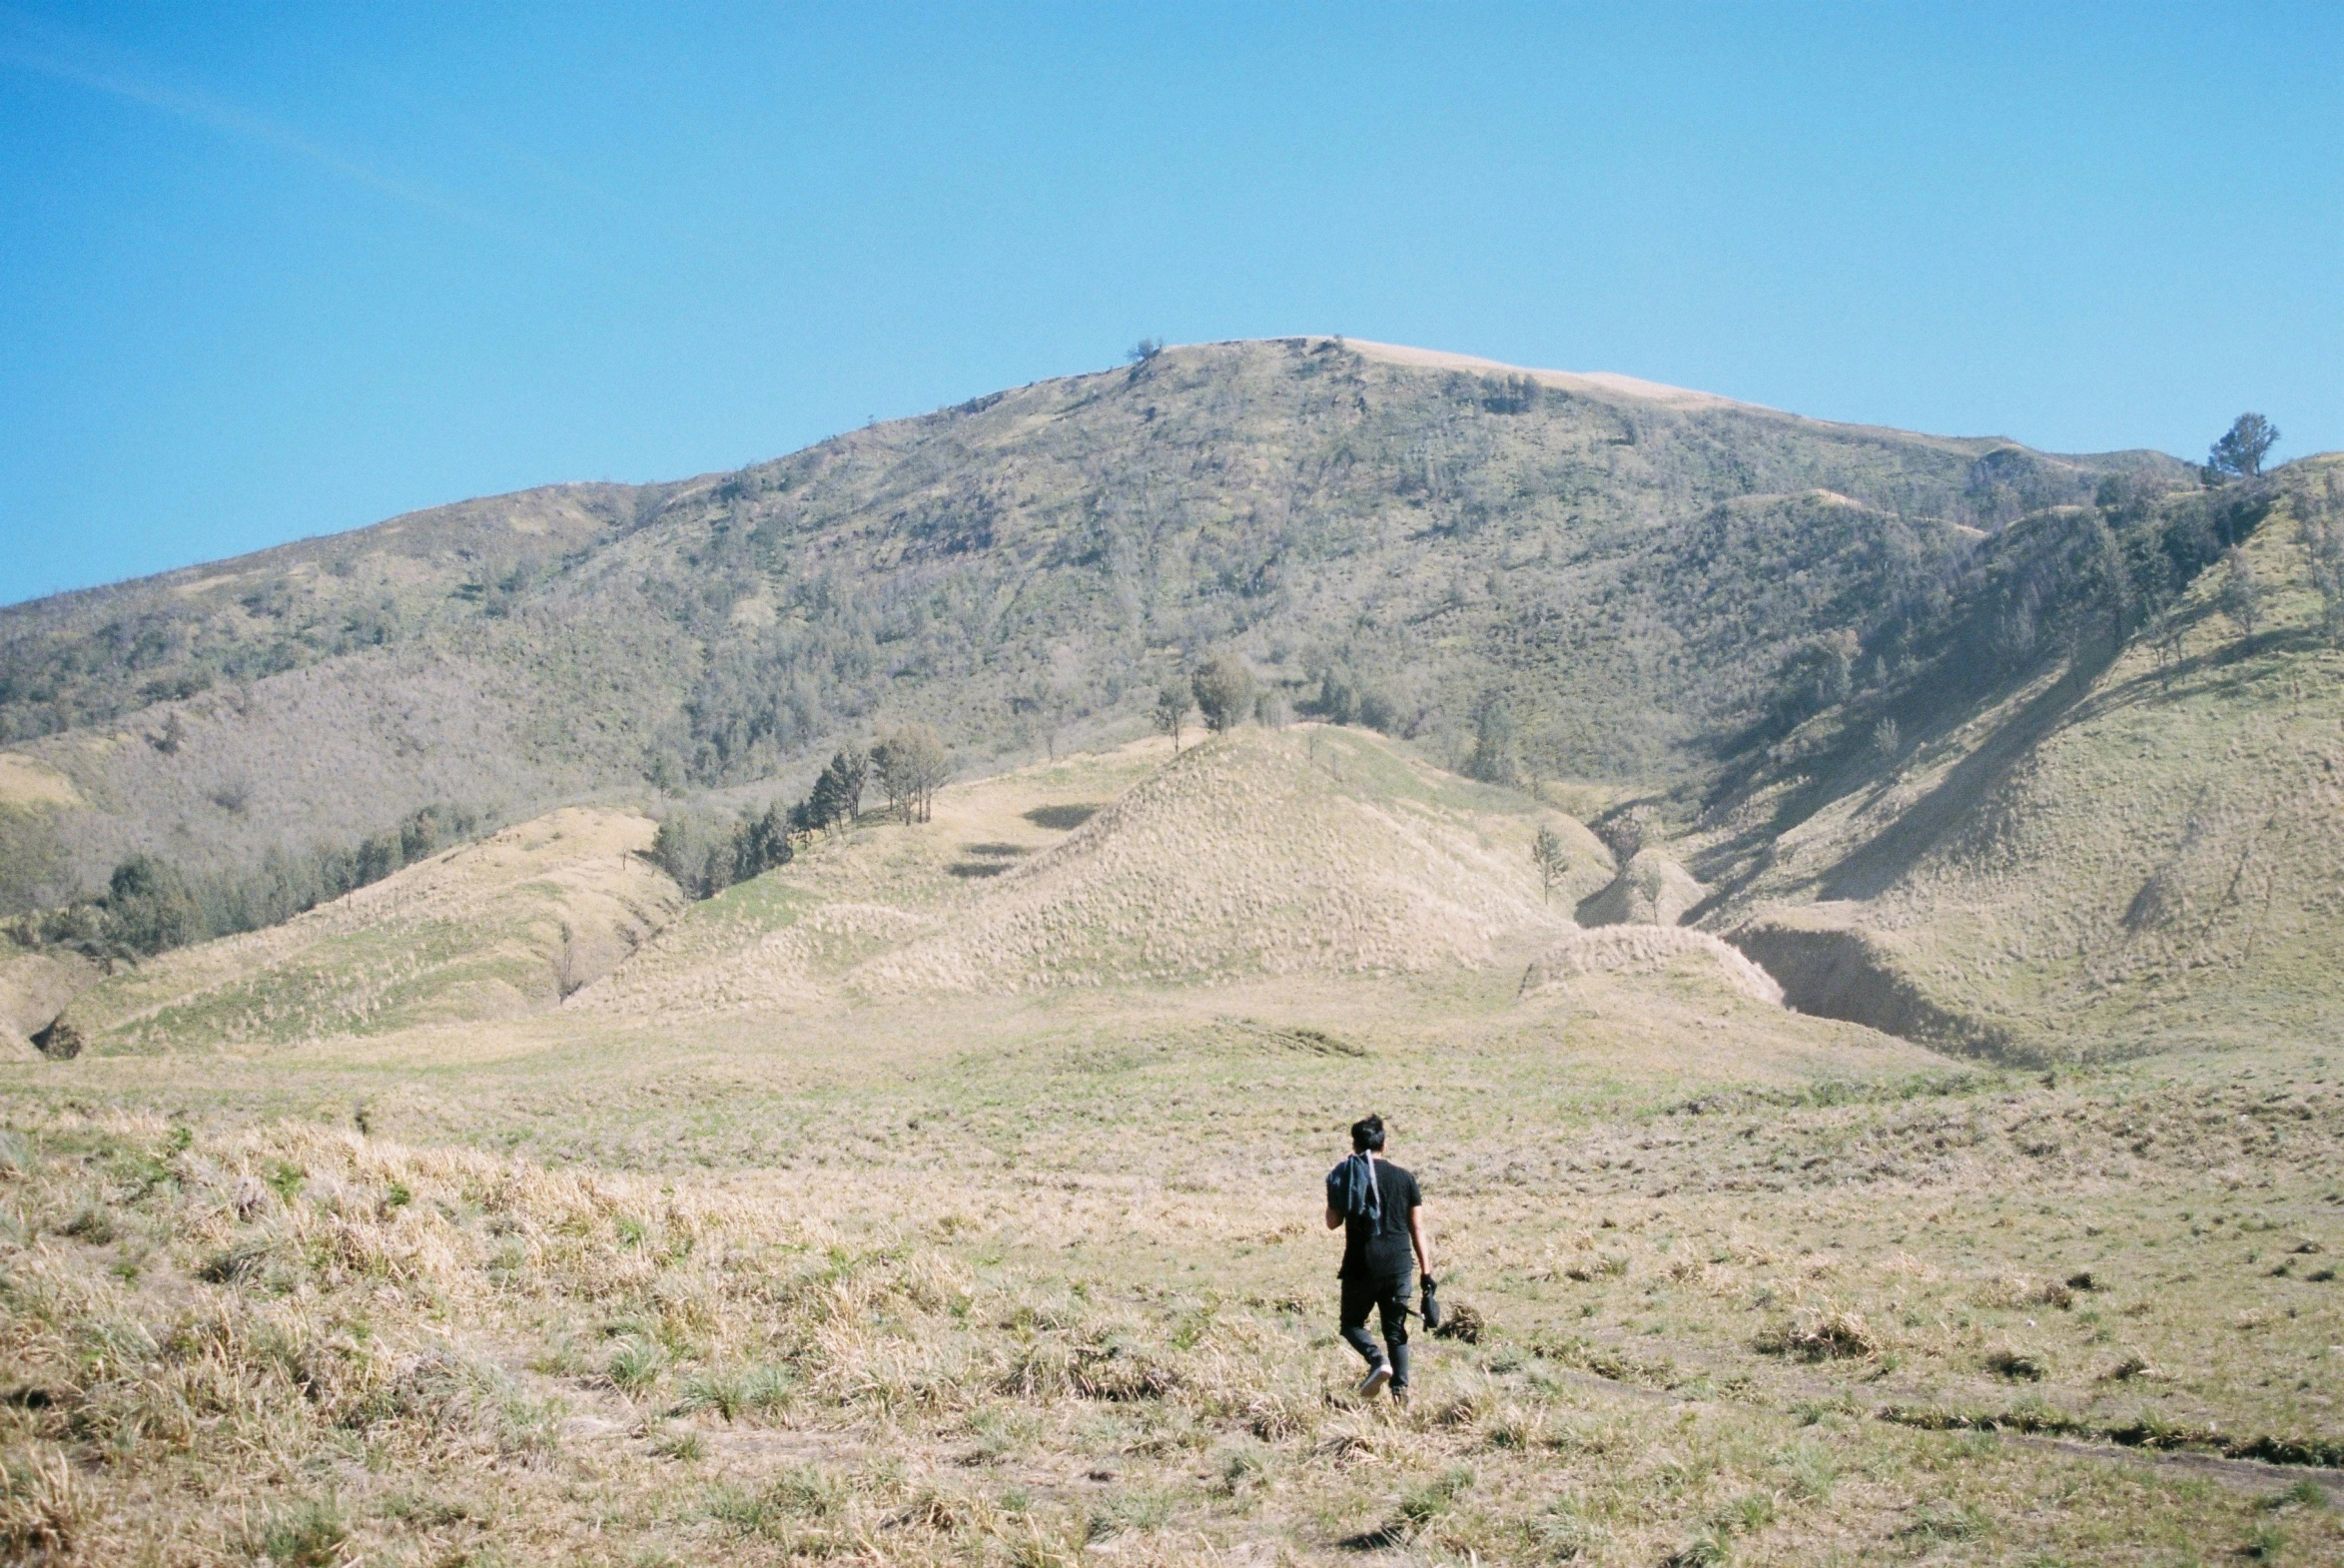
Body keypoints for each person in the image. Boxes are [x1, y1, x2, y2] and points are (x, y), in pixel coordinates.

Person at [1324, 1113, 1433, 1404]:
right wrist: (1426, 1272)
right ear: (1383, 1145)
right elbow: (1417, 1227)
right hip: (1398, 1266)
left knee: (1351, 1324)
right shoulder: (1405, 1178)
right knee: (1396, 1332)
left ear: (1355, 1146)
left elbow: (1332, 1222)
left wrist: (1337, 1191)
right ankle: (1401, 1396)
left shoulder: (1345, 1174)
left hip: (1361, 1264)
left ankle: (1376, 1360)